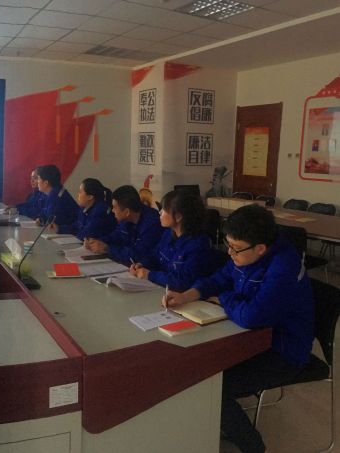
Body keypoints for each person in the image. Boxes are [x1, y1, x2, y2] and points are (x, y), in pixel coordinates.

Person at [163, 204, 314, 453]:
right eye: (228, 245)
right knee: (197, 366)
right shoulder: (247, 252)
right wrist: (188, 295)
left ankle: (253, 446)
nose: (230, 253)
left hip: (282, 349)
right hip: (247, 337)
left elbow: (253, 316)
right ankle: (215, 421)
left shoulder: (283, 267)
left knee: (213, 386)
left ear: (260, 248)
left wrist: (224, 299)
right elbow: (220, 277)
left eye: (235, 248)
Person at [130, 190, 215, 291]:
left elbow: (183, 282)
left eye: (164, 209)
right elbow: (155, 256)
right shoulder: (168, 234)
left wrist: (150, 275)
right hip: (161, 289)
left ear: (178, 216)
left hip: (181, 296)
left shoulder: (198, 244)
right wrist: (142, 264)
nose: (160, 212)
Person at [84, 184, 164, 264]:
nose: (112, 211)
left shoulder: (152, 224)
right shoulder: (126, 218)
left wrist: (107, 249)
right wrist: (96, 242)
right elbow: (115, 236)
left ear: (127, 212)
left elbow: (137, 255)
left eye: (115, 207)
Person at [35, 164, 79, 234]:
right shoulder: (54, 192)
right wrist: (42, 219)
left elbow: (55, 221)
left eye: (38, 179)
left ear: (46, 183)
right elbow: (46, 213)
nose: (37, 181)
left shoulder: (56, 197)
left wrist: (59, 228)